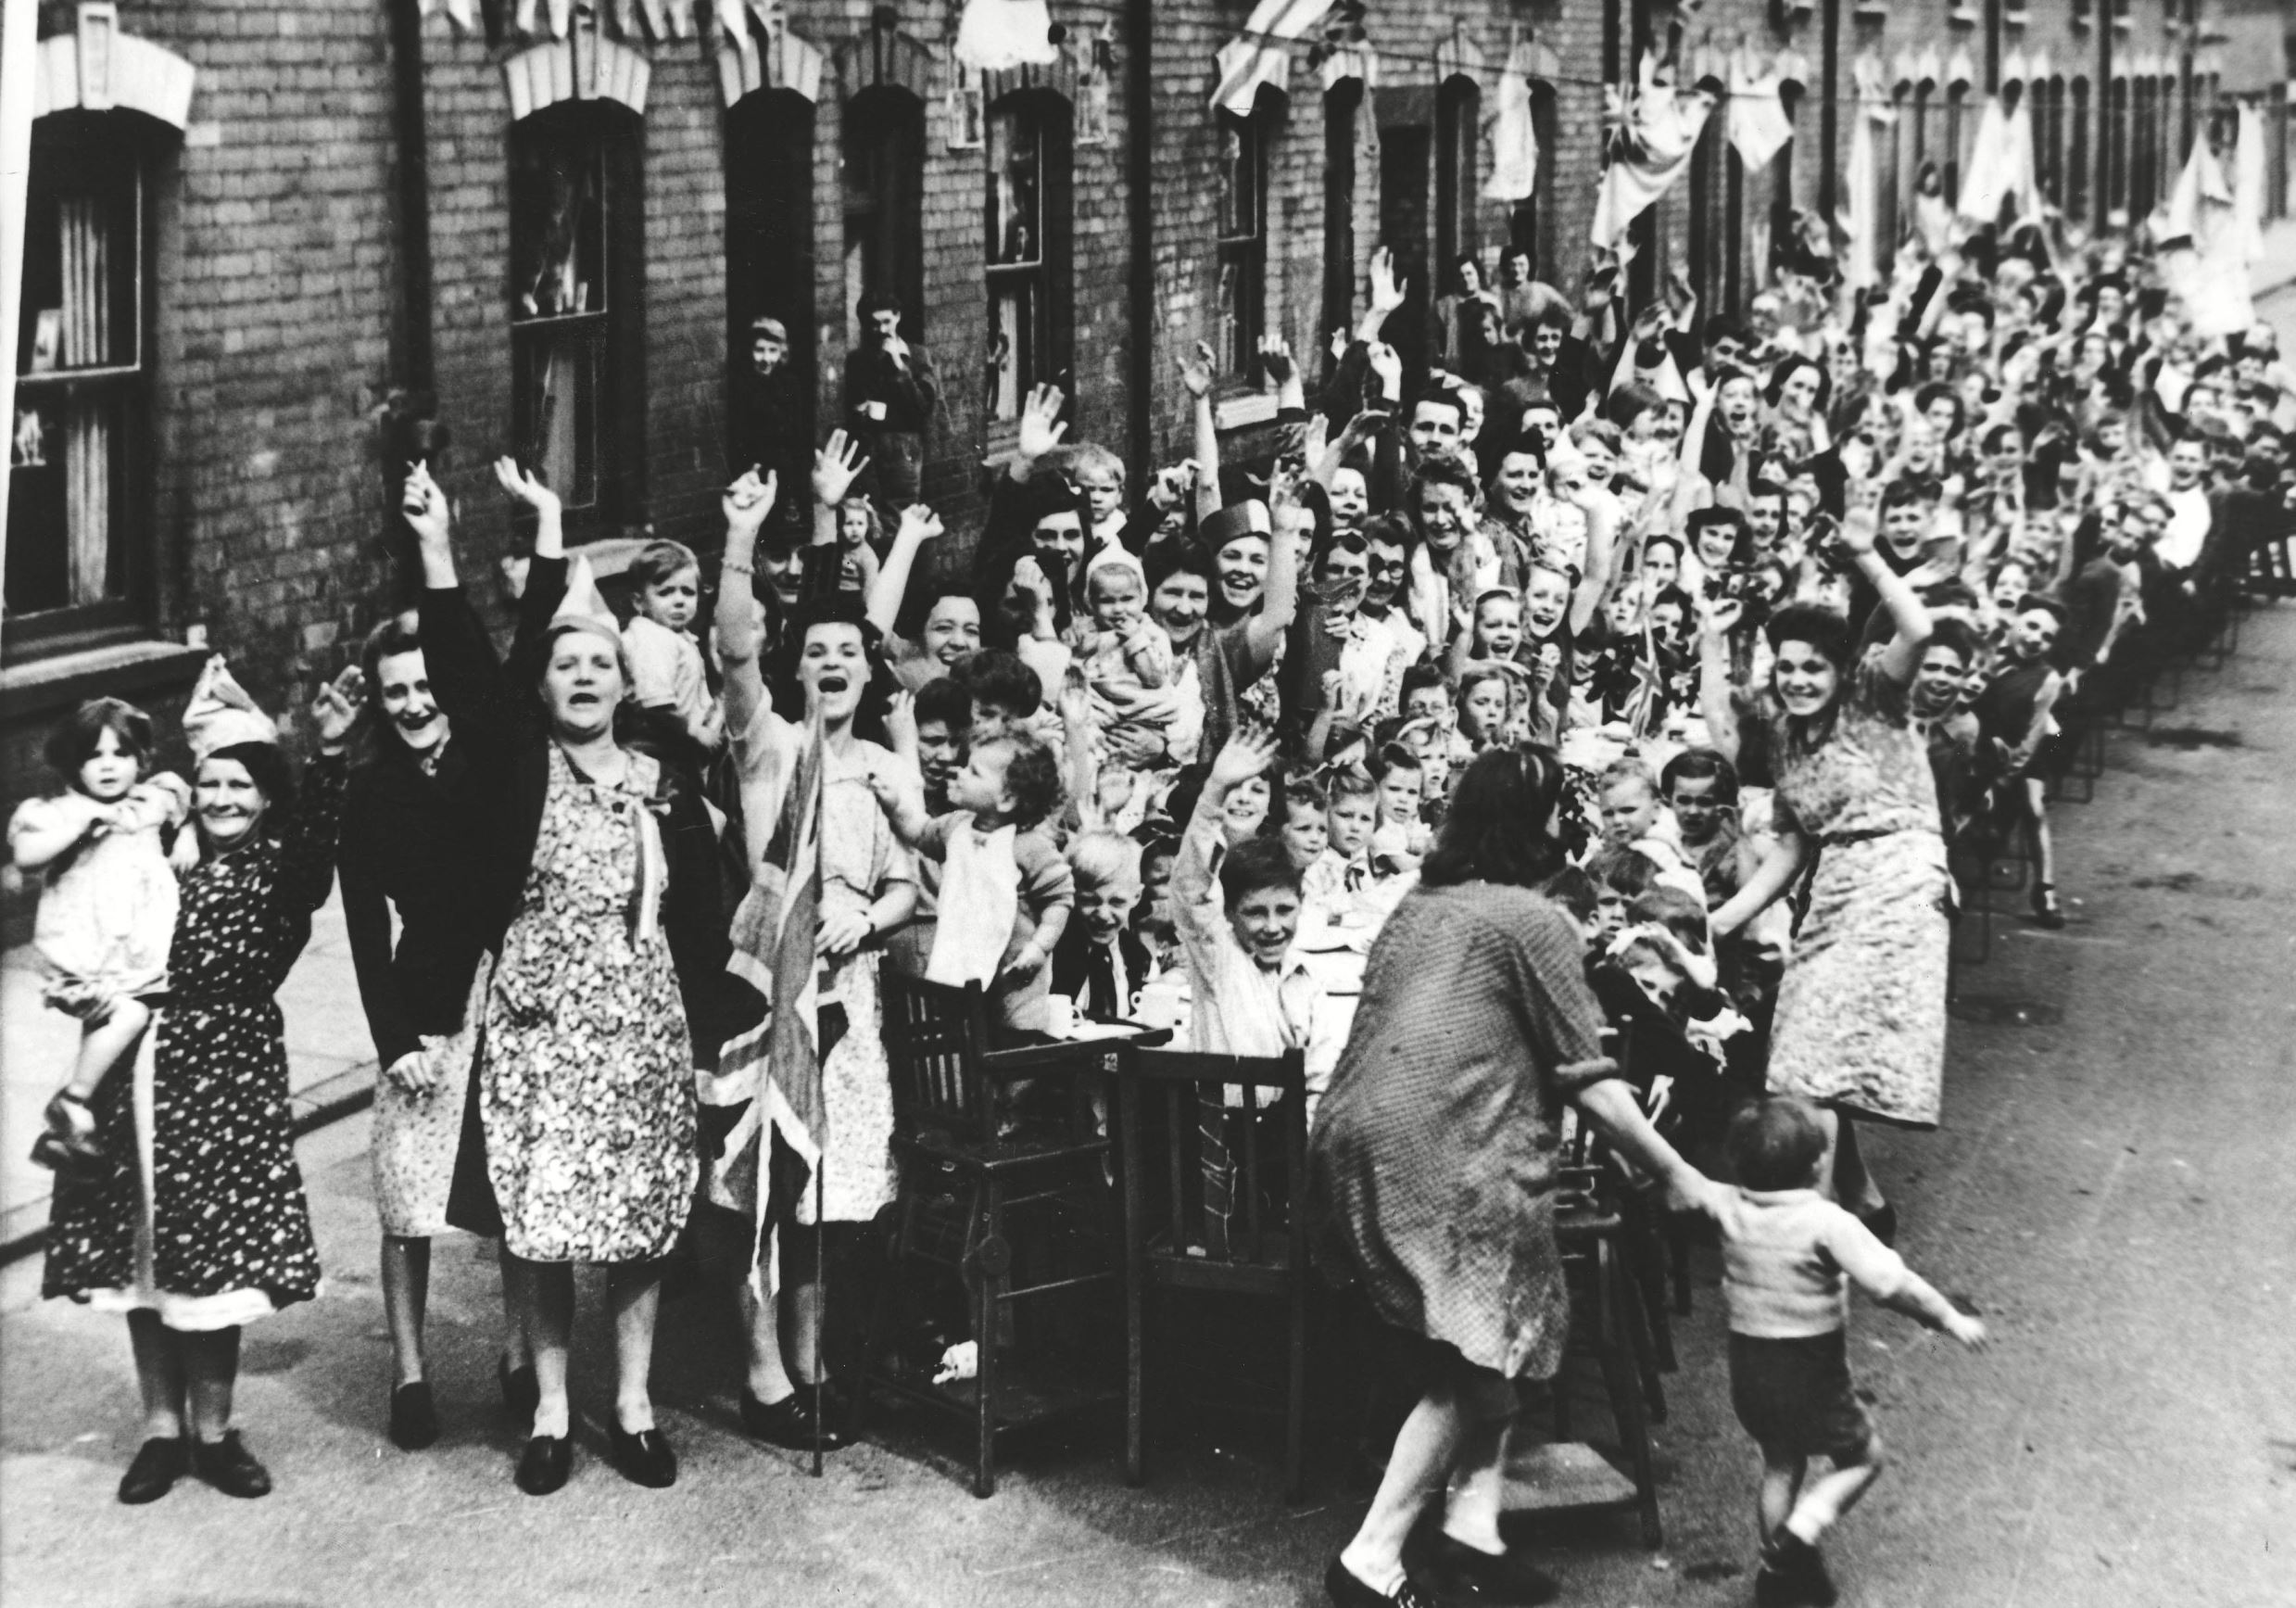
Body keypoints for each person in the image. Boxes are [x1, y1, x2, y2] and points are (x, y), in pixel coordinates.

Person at [1310, 744, 1734, 1608]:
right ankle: (1371, 1559)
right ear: (1538, 825)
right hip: (1447, 1153)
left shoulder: (1420, 902)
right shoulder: (1532, 919)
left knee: (1494, 1343)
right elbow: (1594, 1078)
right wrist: (1679, 1172)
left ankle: (1473, 1535)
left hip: (1354, 1138)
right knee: (1479, 1354)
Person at [417, 460, 751, 1497]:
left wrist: (731, 1003)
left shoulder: (664, 783)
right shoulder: (519, 768)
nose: (583, 678)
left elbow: (701, 917)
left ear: (622, 680)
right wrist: (437, 551)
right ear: (548, 683)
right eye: (564, 666)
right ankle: (555, 1411)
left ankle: (637, 1402)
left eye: (598, 665)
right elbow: (473, 680)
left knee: (643, 1215)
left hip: (640, 1027)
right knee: (545, 1221)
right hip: (538, 1025)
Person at [43, 654, 360, 1504]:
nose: (222, 798)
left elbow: (320, 850)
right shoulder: (160, 850)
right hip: (139, 1070)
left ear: (265, 796)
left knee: (216, 1265)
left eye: (240, 785)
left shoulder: (281, 872)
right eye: (209, 782)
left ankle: (215, 1431)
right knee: (143, 1257)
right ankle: (159, 1429)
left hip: (226, 1079)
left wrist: (328, 756)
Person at [712, 472, 918, 1454]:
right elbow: (735, 646)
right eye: (817, 650)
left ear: (869, 675)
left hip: (852, 997)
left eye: (849, 653)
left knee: (827, 1199)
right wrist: (742, 537)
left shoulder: (880, 767)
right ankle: (761, 1376)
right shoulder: (772, 746)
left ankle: (813, 1365)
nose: (831, 661)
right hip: (772, 987)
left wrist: (871, 920)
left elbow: (910, 885)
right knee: (765, 1181)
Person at [1702, 494, 1943, 1244]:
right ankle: (1861, 1201)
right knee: (1801, 1054)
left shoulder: (1875, 695)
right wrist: (1721, 920)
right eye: (1789, 666)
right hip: (1834, 888)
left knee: (1812, 1060)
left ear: (1842, 667)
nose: (1800, 678)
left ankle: (1818, 1231)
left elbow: (1920, 628)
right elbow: (1794, 844)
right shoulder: (1785, 735)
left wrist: (1867, 555)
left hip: (1899, 879)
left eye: (1814, 667)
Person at [340, 593, 532, 1452]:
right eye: (395, 693)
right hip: (424, 1008)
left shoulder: (492, 766)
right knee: (408, 1197)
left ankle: (520, 1354)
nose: (414, 704)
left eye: (425, 686)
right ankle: (409, 1373)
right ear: (378, 704)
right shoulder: (369, 791)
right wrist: (395, 1041)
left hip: (514, 996)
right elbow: (362, 928)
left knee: (514, 1194)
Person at [1721, 1097, 1987, 1606]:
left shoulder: (1731, 1207)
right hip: (1808, 1370)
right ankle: (1797, 1537)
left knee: (1781, 1463)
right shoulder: (1826, 1222)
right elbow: (1893, 1284)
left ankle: (1772, 1572)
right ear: (1817, 1165)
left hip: (1749, 1368)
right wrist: (1947, 1317)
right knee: (1864, 1459)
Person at [10, 699, 191, 1174]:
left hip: (137, 953)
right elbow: (27, 855)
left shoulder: (150, 801)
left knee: (139, 1040)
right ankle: (71, 1102)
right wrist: (78, 830)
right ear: (75, 764)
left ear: (140, 760)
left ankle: (86, 1139)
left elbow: (183, 806)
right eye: (94, 756)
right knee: (127, 1017)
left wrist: (187, 835)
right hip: (84, 958)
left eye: (121, 754)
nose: (109, 766)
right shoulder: (60, 812)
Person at [842, 290, 940, 512]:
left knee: (901, 515)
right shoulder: (858, 360)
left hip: (903, 451)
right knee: (867, 515)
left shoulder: (917, 356)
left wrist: (898, 364)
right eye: (875, 324)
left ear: (898, 317)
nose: (882, 330)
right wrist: (860, 411)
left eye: (887, 321)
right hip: (869, 451)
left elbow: (922, 407)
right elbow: (852, 408)